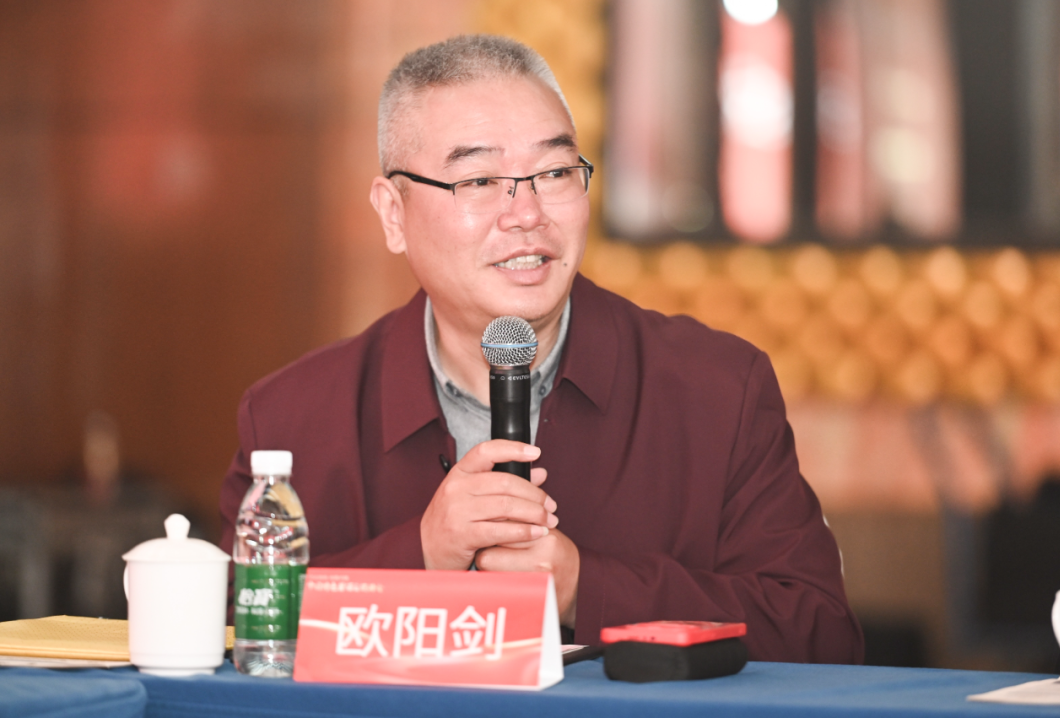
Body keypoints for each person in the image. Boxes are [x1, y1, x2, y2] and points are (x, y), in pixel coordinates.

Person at [218, 34, 863, 663]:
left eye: (554, 172)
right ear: (393, 214)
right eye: (479, 180)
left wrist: (584, 587)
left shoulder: (716, 390)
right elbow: (225, 633)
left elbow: (820, 636)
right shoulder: (292, 417)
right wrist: (422, 557)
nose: (526, 213)